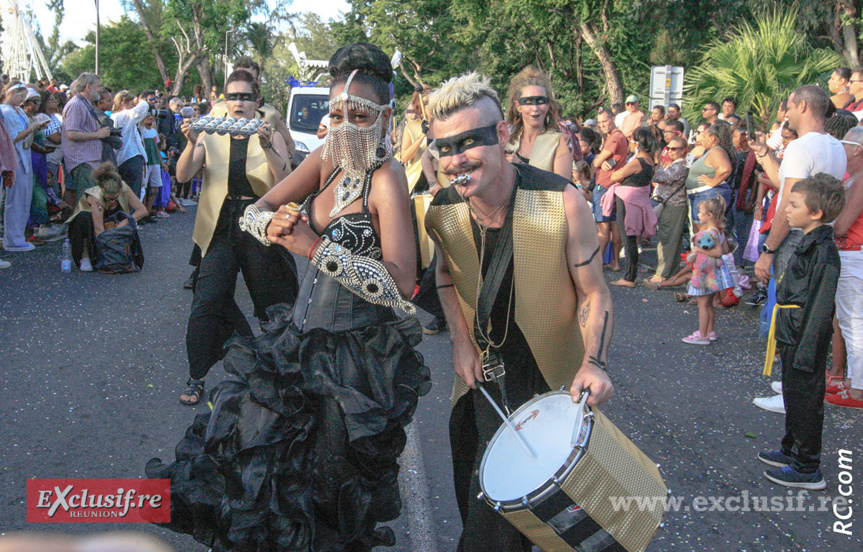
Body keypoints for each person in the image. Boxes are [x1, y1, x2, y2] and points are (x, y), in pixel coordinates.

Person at [147, 43, 430, 551]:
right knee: (264, 472)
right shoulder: (326, 158)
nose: (344, 124)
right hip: (297, 342)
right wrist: (273, 223)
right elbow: (254, 212)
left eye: (359, 114)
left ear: (385, 116)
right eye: (336, 112)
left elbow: (399, 286)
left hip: (352, 361)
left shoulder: (385, 179)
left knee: (326, 490)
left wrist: (313, 246)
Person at [424, 71, 613, 552]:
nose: (455, 160)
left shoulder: (562, 201)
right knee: (488, 515)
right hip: (485, 384)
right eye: (443, 147)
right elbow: (445, 278)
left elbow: (594, 293)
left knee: (572, 529)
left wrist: (595, 362)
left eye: (469, 142)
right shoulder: (440, 211)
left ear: (503, 136)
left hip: (557, 386)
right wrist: (461, 344)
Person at [171, 69, 297, 407]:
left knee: (271, 306)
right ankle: (197, 375)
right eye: (232, 96)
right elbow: (183, 174)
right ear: (224, 101)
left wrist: (269, 145)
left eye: (245, 96)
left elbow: (284, 178)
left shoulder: (269, 131)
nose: (238, 102)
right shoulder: (211, 130)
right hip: (220, 223)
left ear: (257, 100)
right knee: (207, 300)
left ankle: (279, 374)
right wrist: (190, 141)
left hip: (259, 223)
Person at [750, 85, 846, 412]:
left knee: (792, 318)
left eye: (789, 107)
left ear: (803, 106)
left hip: (795, 238)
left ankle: (792, 392)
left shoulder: (801, 146)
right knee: (808, 317)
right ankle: (794, 384)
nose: (785, 113)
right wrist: (765, 154)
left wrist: (768, 249)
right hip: (823, 234)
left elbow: (787, 203)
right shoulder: (836, 146)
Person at [758, 174, 845, 489]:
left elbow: (821, 308)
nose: (787, 210)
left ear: (816, 212)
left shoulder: (824, 253)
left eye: (794, 205)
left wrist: (806, 351)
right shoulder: (809, 242)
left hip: (804, 337)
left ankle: (807, 466)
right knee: (794, 396)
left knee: (806, 401)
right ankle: (790, 449)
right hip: (793, 333)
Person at [825, 128, 863, 409]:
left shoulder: (861, 180)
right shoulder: (855, 179)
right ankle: (852, 381)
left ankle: (858, 388)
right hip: (850, 254)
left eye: (845, 144)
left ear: (858, 149)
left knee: (853, 323)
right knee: (850, 322)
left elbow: (842, 225)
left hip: (854, 253)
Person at [65, 162, 147, 271]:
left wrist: (125, 223)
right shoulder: (95, 196)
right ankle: (85, 256)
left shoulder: (123, 186)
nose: (113, 202)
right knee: (84, 217)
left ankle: (126, 255)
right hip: (90, 226)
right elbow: (99, 229)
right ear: (102, 190)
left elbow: (142, 210)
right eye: (109, 199)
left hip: (113, 221)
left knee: (127, 221)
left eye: (115, 198)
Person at [604, 126, 658, 287]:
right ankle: (630, 275)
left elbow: (616, 176)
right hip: (637, 201)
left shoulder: (637, 161)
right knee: (631, 239)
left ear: (638, 144)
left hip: (628, 201)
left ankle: (629, 277)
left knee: (628, 240)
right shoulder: (650, 161)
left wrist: (617, 173)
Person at [504, 66, 573, 179]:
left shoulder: (560, 142)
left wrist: (521, 165)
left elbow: (561, 185)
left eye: (540, 101)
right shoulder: (509, 142)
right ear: (518, 106)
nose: (535, 108)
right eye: (528, 102)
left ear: (548, 104)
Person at [682, 196, 734, 344]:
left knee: (702, 303)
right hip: (714, 273)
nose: (698, 215)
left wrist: (698, 249)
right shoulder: (719, 231)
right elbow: (724, 250)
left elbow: (717, 252)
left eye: (700, 212)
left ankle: (703, 335)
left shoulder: (709, 233)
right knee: (709, 303)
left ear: (709, 215)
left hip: (706, 274)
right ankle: (710, 331)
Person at [1, 84, 46, 252]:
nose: (23, 101)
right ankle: (13, 239)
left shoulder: (17, 110)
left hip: (24, 158)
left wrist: (35, 128)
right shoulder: (6, 111)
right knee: (16, 201)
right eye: (22, 96)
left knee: (23, 200)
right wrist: (32, 128)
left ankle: (17, 237)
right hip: (16, 160)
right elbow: (13, 137)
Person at [61, 73, 110, 205]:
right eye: (98, 86)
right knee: (87, 202)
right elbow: (71, 133)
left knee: (92, 201)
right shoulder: (76, 105)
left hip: (89, 160)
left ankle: (89, 225)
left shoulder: (84, 104)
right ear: (88, 87)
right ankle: (83, 226)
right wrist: (98, 134)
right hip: (82, 161)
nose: (100, 89)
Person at [648, 135, 690, 283]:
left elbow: (660, 178)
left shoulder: (681, 166)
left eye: (674, 149)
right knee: (670, 239)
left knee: (668, 239)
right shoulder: (674, 165)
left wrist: (657, 163)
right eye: (668, 148)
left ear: (683, 150)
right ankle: (670, 271)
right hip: (669, 204)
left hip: (674, 205)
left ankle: (662, 273)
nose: (670, 151)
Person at [593, 110, 626, 271]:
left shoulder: (615, 137)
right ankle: (615, 262)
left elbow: (596, 161)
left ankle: (597, 263)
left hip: (604, 186)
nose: (602, 125)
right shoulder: (617, 136)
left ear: (613, 119)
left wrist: (600, 161)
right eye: (599, 123)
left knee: (603, 226)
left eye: (604, 121)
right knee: (615, 224)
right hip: (615, 185)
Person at [686, 122, 734, 234]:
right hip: (703, 194)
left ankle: (707, 252)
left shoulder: (716, 151)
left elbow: (725, 169)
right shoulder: (711, 151)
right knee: (703, 231)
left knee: (705, 233)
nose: (702, 139)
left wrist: (713, 182)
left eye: (705, 136)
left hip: (707, 194)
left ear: (712, 138)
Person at [111, 91, 149, 199]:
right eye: (132, 104)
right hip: (129, 158)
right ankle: (130, 214)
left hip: (123, 159)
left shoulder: (120, 117)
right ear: (123, 103)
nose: (133, 107)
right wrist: (141, 100)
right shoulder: (121, 116)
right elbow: (140, 110)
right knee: (132, 196)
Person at [397, 84, 432, 193]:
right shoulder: (411, 126)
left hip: (443, 181)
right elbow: (404, 157)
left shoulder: (444, 124)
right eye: (427, 103)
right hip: (418, 184)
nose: (430, 106)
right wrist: (422, 135)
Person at [139, 112, 167, 218]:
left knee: (155, 189)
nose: (150, 118)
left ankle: (148, 212)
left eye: (151, 116)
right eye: (147, 117)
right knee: (144, 189)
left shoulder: (154, 132)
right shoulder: (141, 131)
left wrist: (161, 163)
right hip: (146, 162)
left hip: (155, 162)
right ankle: (142, 213)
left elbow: (156, 148)